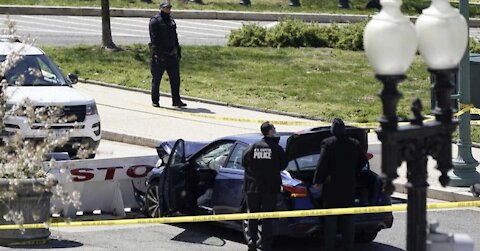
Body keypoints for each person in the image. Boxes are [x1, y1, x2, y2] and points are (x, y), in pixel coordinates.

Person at [313, 118, 367, 251]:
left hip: (332, 187)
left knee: (331, 220)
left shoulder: (328, 143)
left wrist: (318, 181)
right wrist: (354, 172)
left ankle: (330, 247)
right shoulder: (354, 143)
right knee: (348, 220)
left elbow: (322, 164)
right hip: (349, 186)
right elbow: (363, 160)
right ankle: (348, 247)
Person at [242, 122, 288, 251]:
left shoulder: (253, 147)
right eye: (274, 128)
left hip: (252, 187)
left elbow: (244, 162)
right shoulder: (276, 148)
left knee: (253, 215)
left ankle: (252, 241)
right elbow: (283, 165)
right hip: (270, 188)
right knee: (267, 217)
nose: (276, 130)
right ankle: (266, 244)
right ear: (270, 132)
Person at [149, 1, 187, 108]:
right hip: (159, 56)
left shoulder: (171, 21)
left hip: (172, 55)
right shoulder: (155, 21)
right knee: (156, 80)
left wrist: (178, 51)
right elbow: (154, 39)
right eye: (166, 8)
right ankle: (155, 100)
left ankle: (176, 100)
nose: (168, 9)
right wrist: (159, 54)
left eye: (169, 7)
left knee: (175, 79)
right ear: (161, 8)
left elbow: (175, 37)